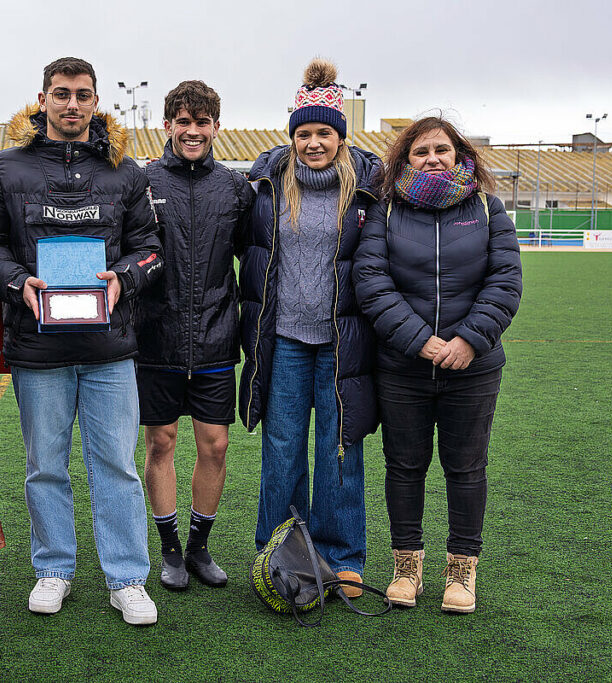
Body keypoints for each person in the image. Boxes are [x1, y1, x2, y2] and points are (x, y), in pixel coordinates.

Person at [0, 57, 163, 625]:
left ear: (96, 101)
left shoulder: (125, 171)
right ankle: (53, 568)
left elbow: (150, 249)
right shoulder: (4, 169)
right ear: (43, 99)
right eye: (61, 94)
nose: (72, 104)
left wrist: (123, 277)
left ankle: (127, 578)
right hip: (39, 350)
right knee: (45, 468)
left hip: (110, 350)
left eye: (82, 95)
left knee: (117, 467)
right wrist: (17, 283)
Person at [353, 116, 522, 613]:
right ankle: (407, 568)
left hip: (473, 368)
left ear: (458, 154)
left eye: (441, 150)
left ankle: (461, 571)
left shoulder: (488, 209)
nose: (432, 159)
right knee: (404, 467)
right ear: (406, 159)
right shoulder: (385, 211)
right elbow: (371, 281)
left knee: (466, 468)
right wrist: (419, 340)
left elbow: (505, 281)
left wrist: (468, 340)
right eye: (421, 151)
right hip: (403, 367)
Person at [239, 59, 381, 598]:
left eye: (324, 132)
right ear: (292, 136)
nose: (314, 143)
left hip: (343, 343)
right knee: (282, 450)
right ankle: (279, 555)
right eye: (304, 133)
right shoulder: (268, 184)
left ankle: (342, 558)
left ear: (341, 136)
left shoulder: (368, 188)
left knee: (340, 448)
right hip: (285, 341)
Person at [136, 80, 254, 591]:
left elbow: (253, 257)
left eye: (202, 122)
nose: (192, 131)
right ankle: (170, 551)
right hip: (156, 339)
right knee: (161, 442)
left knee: (216, 445)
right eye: (183, 122)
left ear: (216, 128)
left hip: (215, 338)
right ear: (167, 126)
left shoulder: (234, 188)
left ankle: (200, 547)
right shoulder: (143, 182)